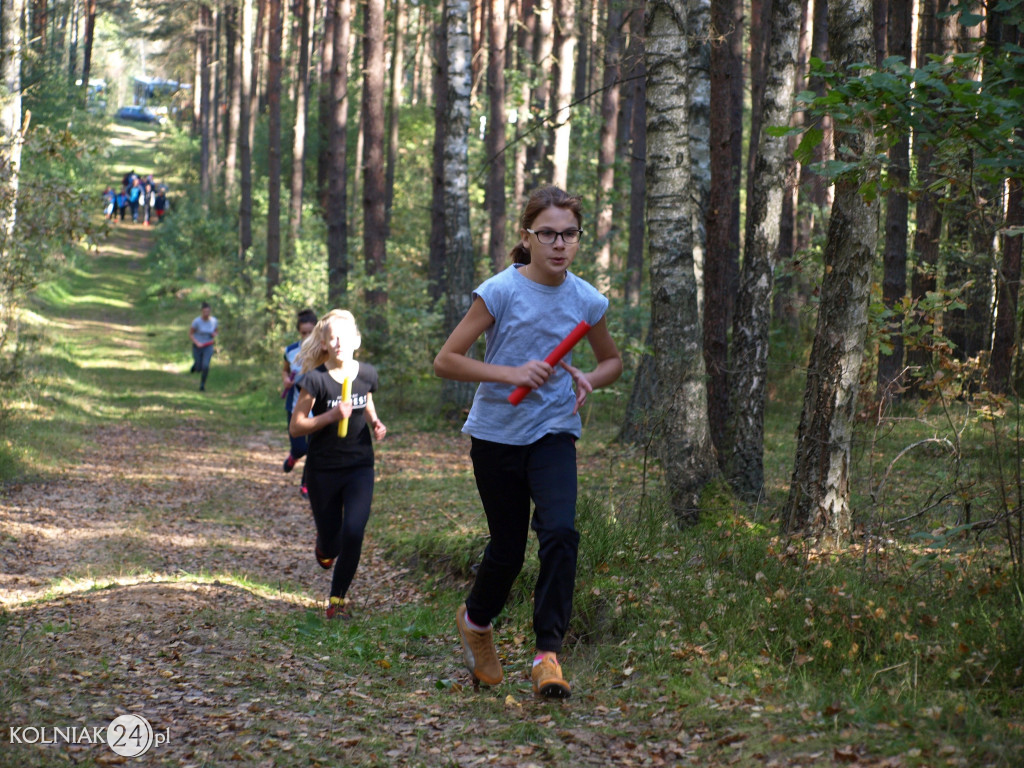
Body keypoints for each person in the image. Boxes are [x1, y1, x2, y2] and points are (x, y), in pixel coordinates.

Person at [433, 186, 622, 699]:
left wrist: (590, 378)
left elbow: (612, 361)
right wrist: (510, 372)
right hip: (496, 434)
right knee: (508, 549)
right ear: (528, 236)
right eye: (548, 234)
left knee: (560, 531)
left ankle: (547, 655)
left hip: (555, 430)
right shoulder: (500, 291)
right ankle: (476, 622)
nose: (559, 244)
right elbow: (446, 360)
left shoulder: (587, 299)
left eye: (569, 234)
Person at [289, 310, 387, 620]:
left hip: (360, 465)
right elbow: (297, 426)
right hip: (322, 469)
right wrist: (330, 416)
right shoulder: (315, 380)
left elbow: (366, 397)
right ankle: (324, 548)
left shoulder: (367, 373)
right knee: (331, 542)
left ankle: (338, 600)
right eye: (333, 338)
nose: (340, 342)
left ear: (357, 341)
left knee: (354, 532)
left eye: (345, 337)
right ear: (325, 344)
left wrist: (374, 421)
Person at [282, 308, 318, 498]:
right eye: (303, 333)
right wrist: (286, 379)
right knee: (300, 448)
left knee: (314, 449)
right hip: (295, 407)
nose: (307, 336)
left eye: (310, 332)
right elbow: (285, 370)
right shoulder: (291, 351)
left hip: (317, 409)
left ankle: (306, 484)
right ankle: (293, 456)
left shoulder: (323, 352)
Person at [188, 302, 218, 392]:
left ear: (210, 312)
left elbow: (216, 331)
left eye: (208, 312)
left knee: (205, 366)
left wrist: (214, 335)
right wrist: (197, 343)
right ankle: (195, 366)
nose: (206, 314)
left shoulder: (214, 321)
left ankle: (202, 385)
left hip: (208, 346)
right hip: (197, 346)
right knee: (198, 367)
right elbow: (190, 334)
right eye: (204, 312)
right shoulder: (196, 322)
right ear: (201, 312)